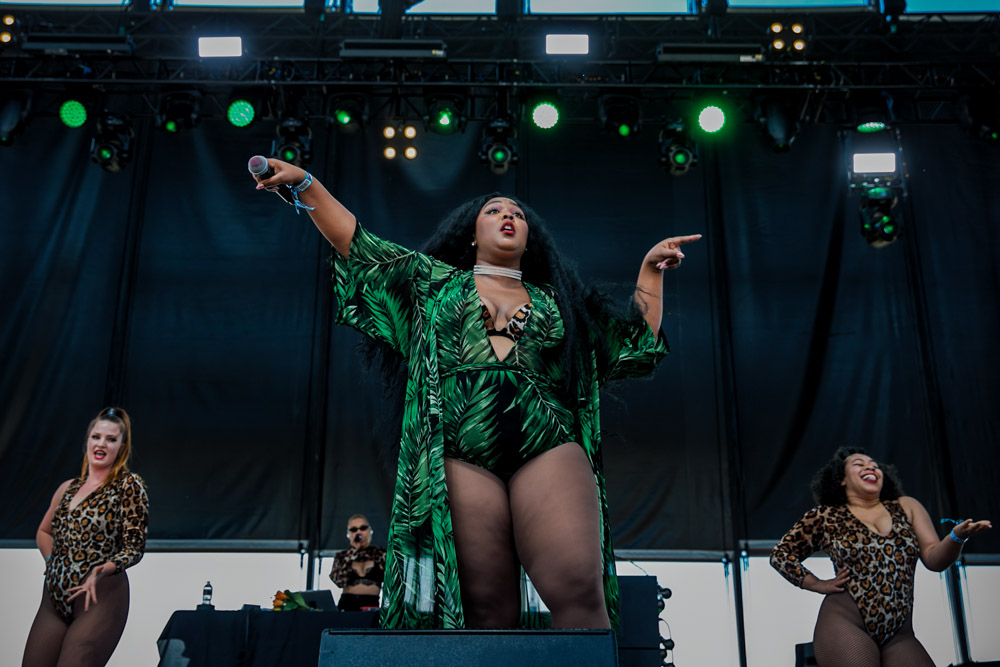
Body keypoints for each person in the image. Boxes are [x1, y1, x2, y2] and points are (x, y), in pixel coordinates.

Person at [253, 158, 700, 631]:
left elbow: (632, 345)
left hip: (546, 448)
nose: (509, 215)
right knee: (487, 609)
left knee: (578, 594)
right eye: (493, 211)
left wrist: (651, 272)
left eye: (518, 214)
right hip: (461, 455)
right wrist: (306, 184)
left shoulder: (559, 300)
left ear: (531, 238)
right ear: (471, 233)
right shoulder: (432, 283)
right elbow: (358, 246)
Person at [770, 447, 991, 667]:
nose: (870, 466)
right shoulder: (825, 516)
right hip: (845, 623)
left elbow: (934, 559)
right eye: (858, 464)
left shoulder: (907, 507)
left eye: (875, 465)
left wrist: (956, 537)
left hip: (899, 634)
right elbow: (781, 554)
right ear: (841, 480)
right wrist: (817, 584)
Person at [22, 407, 150, 667]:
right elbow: (44, 532)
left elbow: (134, 547)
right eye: (97, 436)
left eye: (111, 439)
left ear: (121, 446)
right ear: (87, 440)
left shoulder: (127, 487)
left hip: (100, 596)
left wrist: (102, 569)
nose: (101, 443)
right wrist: (50, 561)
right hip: (55, 597)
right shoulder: (68, 488)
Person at [330, 514, 387, 611]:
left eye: (363, 528)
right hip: (347, 604)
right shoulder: (342, 556)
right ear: (348, 534)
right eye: (353, 530)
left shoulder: (381, 553)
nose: (358, 532)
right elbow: (339, 581)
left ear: (370, 531)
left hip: (371, 604)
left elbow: (391, 579)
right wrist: (352, 551)